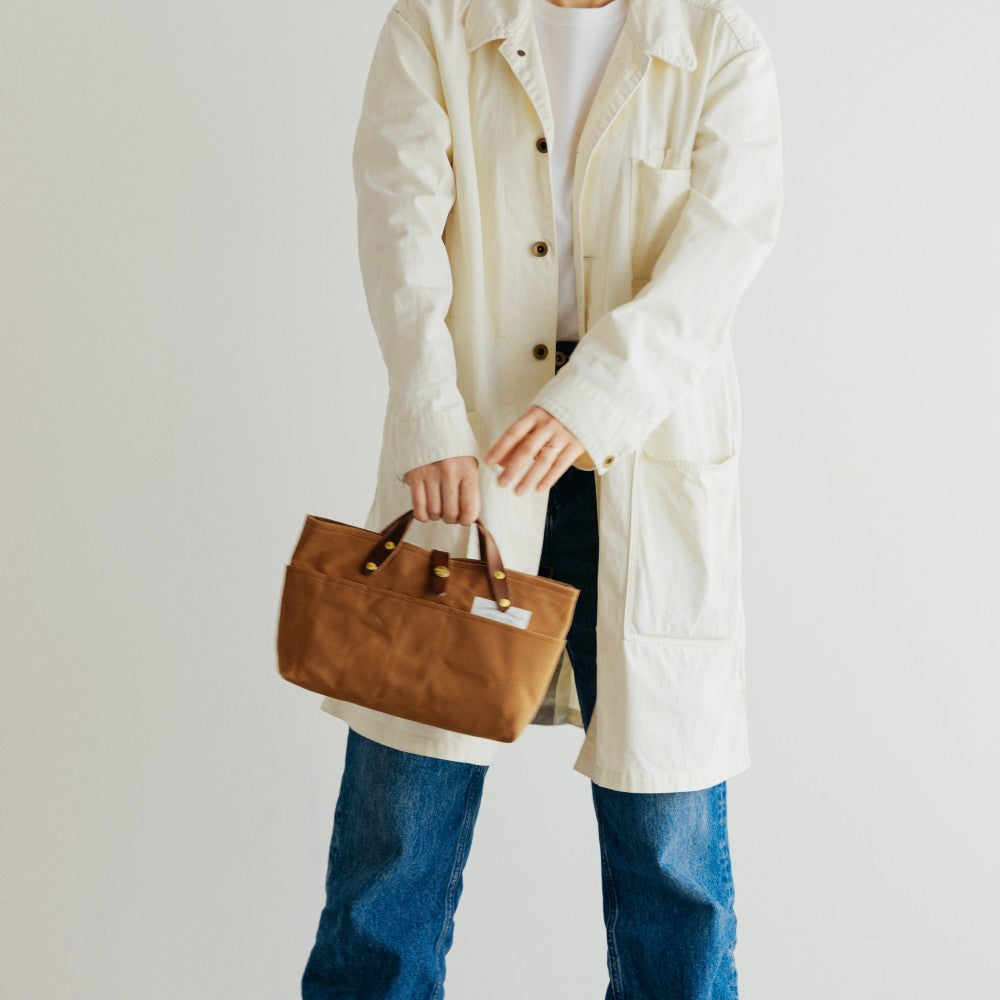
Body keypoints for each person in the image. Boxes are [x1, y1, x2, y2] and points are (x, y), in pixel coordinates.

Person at [302, 0, 783, 996]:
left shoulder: (715, 38)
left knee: (671, 852)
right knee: (396, 845)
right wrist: (431, 416)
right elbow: (397, 222)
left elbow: (721, 254)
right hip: (469, 455)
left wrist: (592, 401)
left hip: (645, 458)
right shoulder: (436, 22)